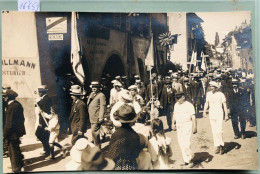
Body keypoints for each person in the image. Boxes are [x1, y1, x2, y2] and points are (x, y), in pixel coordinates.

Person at [106, 104, 141, 170]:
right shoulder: (135, 135)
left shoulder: (116, 134)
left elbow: (110, 154)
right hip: (132, 165)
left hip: (117, 165)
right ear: (132, 121)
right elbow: (136, 153)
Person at [203, 81, 229, 155]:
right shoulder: (208, 94)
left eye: (212, 86)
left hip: (219, 114)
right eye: (210, 86)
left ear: (216, 87)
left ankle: (222, 146)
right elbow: (206, 103)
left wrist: (226, 115)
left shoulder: (221, 94)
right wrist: (204, 111)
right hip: (212, 114)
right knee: (214, 131)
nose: (211, 88)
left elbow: (224, 105)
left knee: (219, 131)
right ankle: (217, 145)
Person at [3, 89, 26, 172]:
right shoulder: (16, 104)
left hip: (12, 132)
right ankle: (19, 164)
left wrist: (4, 134)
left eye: (5, 96)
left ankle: (16, 168)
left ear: (9, 97)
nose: (4, 98)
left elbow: (9, 123)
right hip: (16, 131)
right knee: (16, 149)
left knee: (13, 151)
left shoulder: (12, 107)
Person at [173, 92, 197, 167]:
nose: (177, 100)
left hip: (187, 125)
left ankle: (191, 159)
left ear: (183, 97)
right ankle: (186, 160)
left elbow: (193, 117)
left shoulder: (189, 105)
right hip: (179, 125)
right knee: (181, 143)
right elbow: (174, 114)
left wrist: (195, 126)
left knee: (187, 143)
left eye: (178, 98)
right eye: (176, 98)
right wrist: (173, 123)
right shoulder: (176, 105)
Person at [87, 81, 106, 147]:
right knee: (94, 131)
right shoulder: (91, 94)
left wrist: (101, 117)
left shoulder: (101, 95)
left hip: (97, 116)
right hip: (91, 116)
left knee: (94, 131)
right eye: (93, 87)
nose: (94, 88)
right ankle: (95, 143)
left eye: (95, 87)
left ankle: (98, 146)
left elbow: (102, 106)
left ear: (98, 88)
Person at [35, 85, 52, 156]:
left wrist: (41, 123)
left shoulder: (45, 100)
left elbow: (43, 113)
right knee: (43, 135)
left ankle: (47, 151)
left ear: (41, 92)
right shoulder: (44, 98)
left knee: (40, 135)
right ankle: (46, 149)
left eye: (39, 92)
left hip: (44, 121)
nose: (39, 93)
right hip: (43, 120)